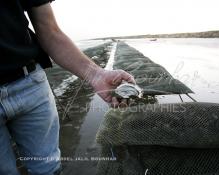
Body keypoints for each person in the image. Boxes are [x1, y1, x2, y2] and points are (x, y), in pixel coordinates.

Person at [0, 0, 135, 174]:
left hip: (31, 83)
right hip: (30, 83)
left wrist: (97, 74)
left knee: (49, 169)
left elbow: (50, 30)